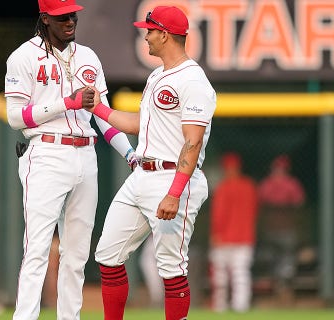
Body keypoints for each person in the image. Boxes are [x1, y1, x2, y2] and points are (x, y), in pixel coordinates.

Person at [4, 0, 135, 319]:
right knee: (36, 250)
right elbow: (14, 117)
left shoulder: (88, 56)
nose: (70, 20)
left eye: (73, 14)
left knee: (76, 254)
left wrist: (129, 152)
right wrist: (66, 103)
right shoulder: (23, 56)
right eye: (62, 16)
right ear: (45, 18)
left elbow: (102, 116)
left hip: (85, 154)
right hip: (47, 153)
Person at [88, 6, 216, 320]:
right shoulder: (158, 74)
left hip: (174, 178)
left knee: (171, 266)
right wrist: (98, 108)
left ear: (164, 34)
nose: (145, 35)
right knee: (108, 254)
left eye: (149, 29)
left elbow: (193, 140)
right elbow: (138, 124)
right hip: (142, 175)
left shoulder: (193, 80)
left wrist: (174, 193)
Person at [208, 153, 258, 313]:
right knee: (240, 274)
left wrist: (216, 233)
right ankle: (240, 306)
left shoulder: (223, 187)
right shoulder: (249, 186)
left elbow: (219, 214)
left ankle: (220, 306)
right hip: (244, 237)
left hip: (224, 237)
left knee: (221, 276)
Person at [257, 154, 305, 298]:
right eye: (277, 169)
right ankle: (278, 287)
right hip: (272, 230)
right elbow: (260, 204)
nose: (279, 171)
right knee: (273, 259)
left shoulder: (291, 184)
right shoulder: (268, 184)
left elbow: (299, 205)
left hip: (286, 230)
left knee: (287, 259)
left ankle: (284, 287)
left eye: (281, 169)